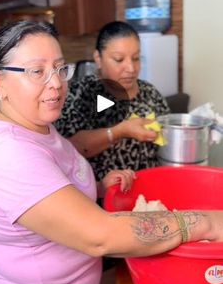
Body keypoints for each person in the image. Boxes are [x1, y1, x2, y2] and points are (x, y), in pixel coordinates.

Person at [0, 20, 223, 284]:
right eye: (37, 71)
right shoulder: (12, 150)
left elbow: (58, 173)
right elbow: (99, 235)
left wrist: (99, 185)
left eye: (61, 69)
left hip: (101, 254)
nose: (56, 82)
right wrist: (209, 222)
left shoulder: (41, 127)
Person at [55, 20, 170, 183]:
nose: (131, 68)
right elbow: (68, 149)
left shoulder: (150, 93)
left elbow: (166, 145)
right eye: (119, 59)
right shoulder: (79, 94)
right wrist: (120, 131)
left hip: (148, 195)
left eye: (136, 58)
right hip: (101, 198)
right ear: (98, 58)